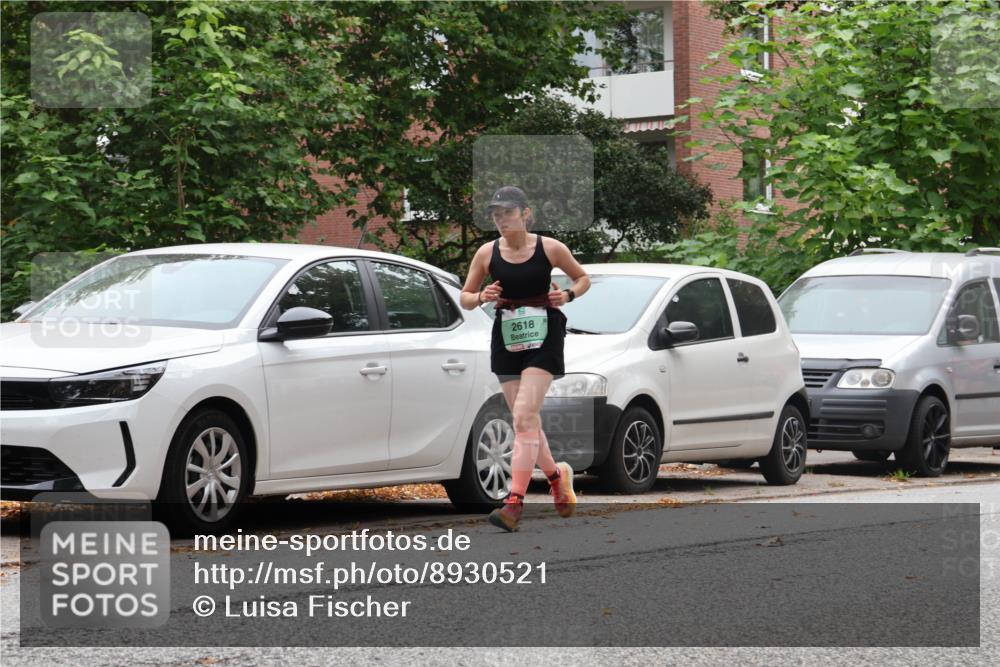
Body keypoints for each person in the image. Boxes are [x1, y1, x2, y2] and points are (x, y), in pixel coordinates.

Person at [459, 186, 591, 532]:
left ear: (525, 213)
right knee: (526, 421)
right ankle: (556, 476)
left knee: (522, 416)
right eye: (496, 214)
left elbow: (583, 277)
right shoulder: (487, 254)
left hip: (544, 333)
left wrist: (567, 294)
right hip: (507, 334)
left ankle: (514, 502)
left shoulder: (550, 248)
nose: (501, 220)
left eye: (508, 213)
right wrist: (480, 296)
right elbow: (465, 297)